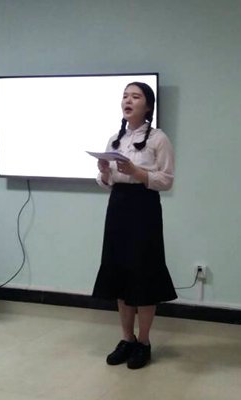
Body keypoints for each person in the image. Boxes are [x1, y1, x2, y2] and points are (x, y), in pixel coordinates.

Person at [92, 82, 177, 370]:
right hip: (118, 207)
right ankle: (126, 339)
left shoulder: (159, 139)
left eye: (135, 96)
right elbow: (106, 183)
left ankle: (144, 342)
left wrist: (137, 172)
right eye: (125, 96)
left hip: (144, 208)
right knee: (120, 273)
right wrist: (105, 172)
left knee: (143, 273)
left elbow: (166, 180)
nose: (128, 100)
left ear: (148, 106)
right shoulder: (115, 139)